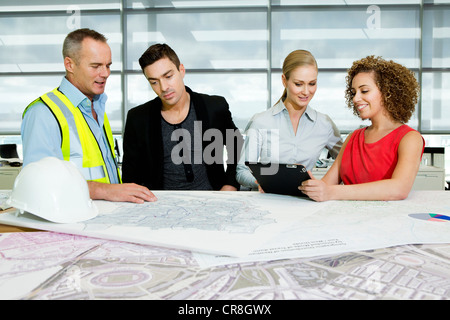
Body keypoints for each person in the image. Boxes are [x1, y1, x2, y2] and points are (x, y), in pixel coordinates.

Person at [21, 28, 156, 204]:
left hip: (103, 221)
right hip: (71, 222)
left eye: (108, 65)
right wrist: (106, 191)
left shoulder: (98, 108)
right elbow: (38, 184)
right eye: (96, 66)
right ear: (69, 65)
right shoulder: (43, 113)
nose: (106, 73)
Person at [299, 55, 424, 201]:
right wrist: (306, 183)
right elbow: (326, 185)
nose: (355, 98)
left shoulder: (409, 138)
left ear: (388, 92)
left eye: (364, 91)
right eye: (353, 92)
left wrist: (332, 192)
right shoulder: (353, 138)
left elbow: (399, 189)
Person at [122, 43, 243, 191]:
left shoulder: (214, 107)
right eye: (154, 82)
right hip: (159, 206)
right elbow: (130, 175)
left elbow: (237, 145)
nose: (164, 87)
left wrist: (230, 184)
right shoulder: (137, 118)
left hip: (213, 201)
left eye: (168, 76)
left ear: (181, 70)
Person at [236, 50, 342, 190]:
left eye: (312, 83)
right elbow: (242, 171)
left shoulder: (324, 124)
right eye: (298, 84)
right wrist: (261, 183)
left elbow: (348, 161)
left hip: (306, 205)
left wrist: (327, 184)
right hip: (268, 203)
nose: (306, 91)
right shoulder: (261, 121)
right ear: (284, 81)